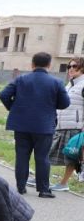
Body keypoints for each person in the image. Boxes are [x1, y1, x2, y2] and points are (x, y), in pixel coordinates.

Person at [0, 52, 70, 198]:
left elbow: (3, 94)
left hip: (21, 125)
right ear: (49, 65)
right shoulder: (56, 82)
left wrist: (13, 108)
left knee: (22, 156)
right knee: (42, 157)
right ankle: (43, 190)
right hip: (44, 125)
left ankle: (20, 187)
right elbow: (65, 103)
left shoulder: (20, 79)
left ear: (32, 64)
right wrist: (50, 105)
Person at [48, 58, 84, 192]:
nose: (71, 68)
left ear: (82, 68)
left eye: (75, 66)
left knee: (71, 157)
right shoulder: (69, 85)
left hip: (75, 127)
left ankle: (64, 183)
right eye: (69, 66)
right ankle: (42, 177)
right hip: (60, 125)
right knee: (47, 152)